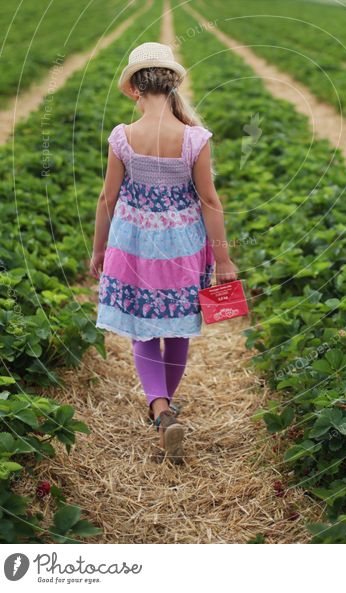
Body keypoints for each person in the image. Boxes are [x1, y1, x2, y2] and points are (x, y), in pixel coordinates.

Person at [89, 42, 237, 463]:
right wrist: (224, 260)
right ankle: (165, 410)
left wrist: (99, 250)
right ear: (171, 85)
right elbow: (210, 202)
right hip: (182, 247)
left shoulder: (123, 136)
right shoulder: (193, 137)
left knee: (143, 328)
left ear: (135, 89)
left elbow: (107, 199)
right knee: (176, 327)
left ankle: (160, 409)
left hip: (134, 244)